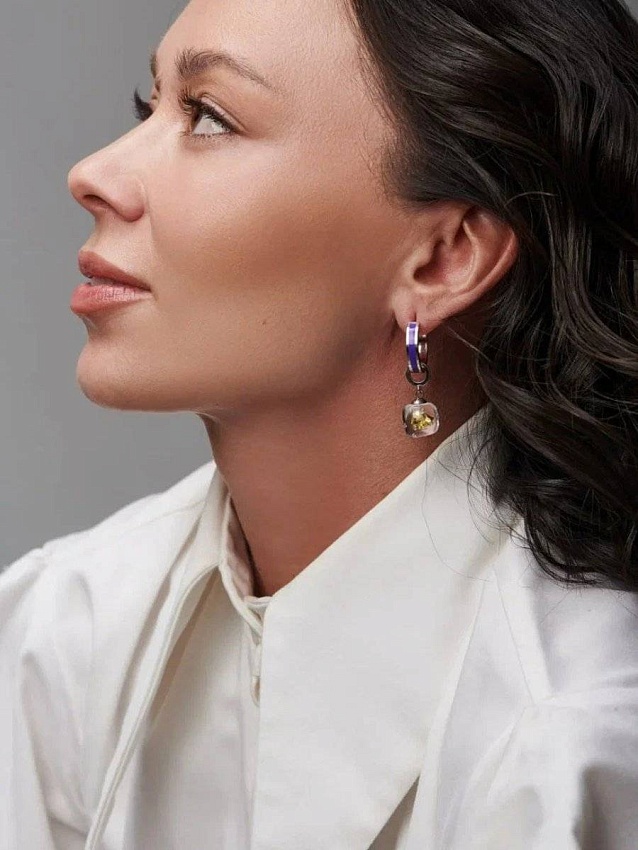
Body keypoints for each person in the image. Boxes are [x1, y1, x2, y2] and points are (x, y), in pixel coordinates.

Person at [2, 0, 638, 846]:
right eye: (148, 106)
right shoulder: (63, 635)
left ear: (443, 258)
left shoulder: (569, 753)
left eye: (209, 117)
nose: (93, 173)